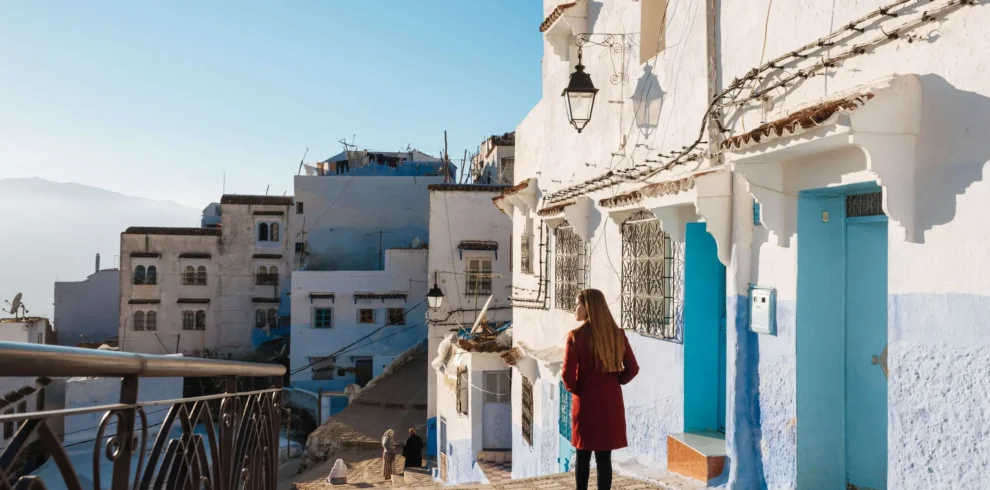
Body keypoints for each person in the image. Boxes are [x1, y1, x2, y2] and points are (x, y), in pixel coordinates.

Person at [562, 289, 640, 490]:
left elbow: (567, 377)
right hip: (609, 402)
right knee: (604, 457)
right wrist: (615, 381)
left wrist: (580, 388)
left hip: (586, 403)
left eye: (578, 304)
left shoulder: (576, 336)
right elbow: (633, 369)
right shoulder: (617, 335)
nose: (575, 308)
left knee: (583, 455)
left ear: (588, 307)